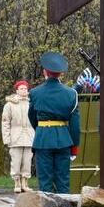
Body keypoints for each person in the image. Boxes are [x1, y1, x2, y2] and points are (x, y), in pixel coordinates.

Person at [28, 53, 80, 193]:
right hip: (64, 140)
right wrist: (74, 145)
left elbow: (32, 117)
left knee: (45, 183)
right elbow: (75, 124)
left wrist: (41, 130)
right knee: (63, 181)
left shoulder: (35, 92)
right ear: (60, 74)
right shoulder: (71, 94)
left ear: (45, 71)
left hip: (43, 139)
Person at [1, 80, 35, 193]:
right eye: (21, 88)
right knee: (16, 162)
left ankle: (25, 183)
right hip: (15, 137)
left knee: (27, 161)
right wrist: (6, 138)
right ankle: (17, 182)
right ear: (17, 90)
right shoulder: (9, 105)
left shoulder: (32, 103)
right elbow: (5, 122)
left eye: (25, 88)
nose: (24, 90)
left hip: (30, 136)